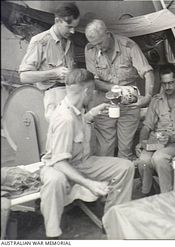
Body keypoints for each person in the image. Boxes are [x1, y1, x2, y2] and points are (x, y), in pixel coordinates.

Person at [40, 68, 134, 238]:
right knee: (55, 180)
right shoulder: (65, 119)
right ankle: (53, 235)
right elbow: (59, 162)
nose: (93, 94)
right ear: (86, 91)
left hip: (82, 162)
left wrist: (91, 114)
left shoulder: (76, 109)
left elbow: (79, 125)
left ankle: (111, 221)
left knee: (125, 167)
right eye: (93, 91)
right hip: (59, 166)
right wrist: (89, 184)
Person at [84, 19, 155, 159]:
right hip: (104, 105)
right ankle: (107, 179)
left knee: (125, 149)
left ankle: (124, 178)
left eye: (100, 43)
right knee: (104, 149)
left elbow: (148, 73)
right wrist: (114, 88)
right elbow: (93, 81)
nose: (98, 47)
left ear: (107, 34)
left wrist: (147, 97)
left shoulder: (128, 46)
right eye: (94, 44)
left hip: (129, 104)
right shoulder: (90, 50)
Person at [135, 64, 175, 194]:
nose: (167, 87)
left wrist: (171, 138)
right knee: (143, 160)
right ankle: (147, 192)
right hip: (157, 142)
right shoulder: (156, 100)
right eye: (164, 84)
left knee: (159, 158)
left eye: (171, 83)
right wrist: (142, 142)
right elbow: (147, 126)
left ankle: (167, 194)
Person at [19, 3, 80, 121]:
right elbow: (24, 76)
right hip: (54, 96)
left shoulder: (69, 42)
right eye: (69, 27)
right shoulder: (40, 41)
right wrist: (54, 73)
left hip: (71, 96)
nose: (73, 31)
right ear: (57, 21)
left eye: (75, 27)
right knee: (60, 136)